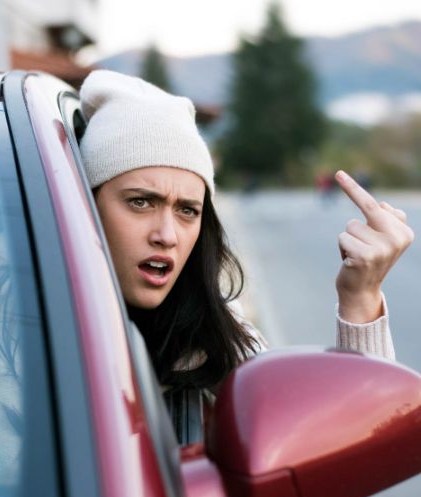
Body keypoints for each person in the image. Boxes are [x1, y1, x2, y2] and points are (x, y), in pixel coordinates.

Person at [78, 70, 414, 438]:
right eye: (140, 202)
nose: (167, 235)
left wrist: (360, 297)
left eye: (187, 210)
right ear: (86, 206)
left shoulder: (222, 344)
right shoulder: (22, 335)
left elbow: (344, 449)